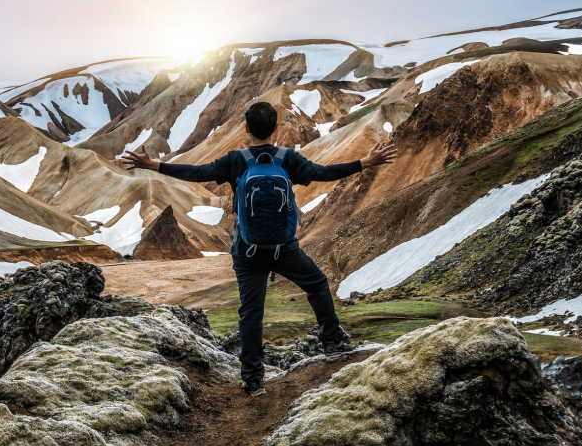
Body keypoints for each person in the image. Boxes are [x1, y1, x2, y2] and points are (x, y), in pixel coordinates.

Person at [123, 102, 398, 396]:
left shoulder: (235, 161)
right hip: (284, 249)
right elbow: (323, 173)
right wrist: (365, 163)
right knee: (317, 283)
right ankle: (332, 340)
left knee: (251, 312)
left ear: (246, 128)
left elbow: (197, 173)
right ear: (276, 128)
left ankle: (253, 378)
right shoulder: (288, 158)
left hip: (247, 251)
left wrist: (154, 165)